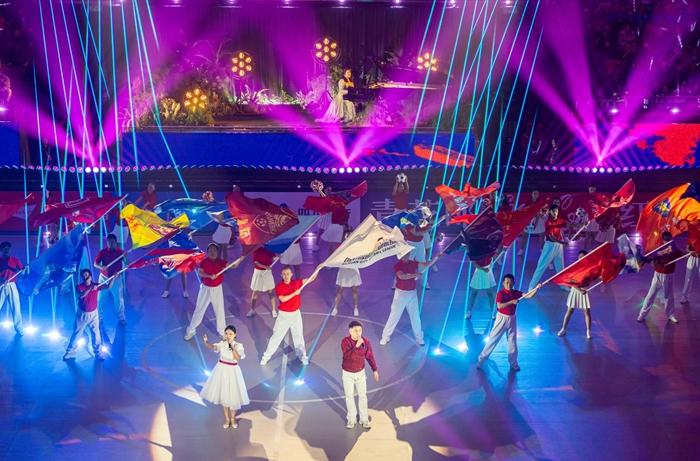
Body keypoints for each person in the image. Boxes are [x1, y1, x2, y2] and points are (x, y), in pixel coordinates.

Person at [260, 264, 322, 365]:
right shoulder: (279, 286)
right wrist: (295, 293)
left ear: (291, 274)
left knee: (298, 336)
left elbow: (311, 278)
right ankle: (266, 357)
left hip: (296, 314)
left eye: (288, 274)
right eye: (284, 274)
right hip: (284, 315)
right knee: (276, 337)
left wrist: (318, 268)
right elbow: (283, 299)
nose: (286, 276)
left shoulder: (296, 283)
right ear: (281, 275)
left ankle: (302, 357)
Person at [477, 274, 541, 371]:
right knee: (493, 339)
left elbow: (528, 295)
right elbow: (500, 306)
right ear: (503, 283)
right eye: (507, 283)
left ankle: (513, 363)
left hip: (512, 318)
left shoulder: (516, 293)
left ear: (513, 283)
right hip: (501, 319)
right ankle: (481, 360)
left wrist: (537, 288)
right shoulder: (500, 294)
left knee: (512, 342)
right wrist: (511, 302)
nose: (508, 285)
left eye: (510, 283)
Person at [380, 252, 441, 346]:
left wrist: (436, 258)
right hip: (401, 294)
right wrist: (414, 275)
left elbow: (425, 264)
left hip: (412, 293)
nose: (406, 255)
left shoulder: (413, 262)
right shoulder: (398, 265)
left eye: (407, 254)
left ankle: (419, 337)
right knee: (394, 316)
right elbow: (401, 276)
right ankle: (385, 337)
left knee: (415, 316)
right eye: (404, 254)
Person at [200, 325, 250, 429]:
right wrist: (206, 342)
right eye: (226, 334)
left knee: (233, 396)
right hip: (221, 371)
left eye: (230, 334)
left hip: (233, 371)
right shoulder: (222, 344)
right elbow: (213, 347)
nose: (228, 336)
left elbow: (238, 358)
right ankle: (227, 418)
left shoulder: (239, 346)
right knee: (224, 395)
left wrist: (232, 347)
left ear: (235, 335)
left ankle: (233, 418)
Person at [528, 204, 584, 292]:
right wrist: (563, 242)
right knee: (541, 266)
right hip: (550, 246)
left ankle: (563, 285)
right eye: (553, 211)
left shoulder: (560, 220)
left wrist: (582, 224)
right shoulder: (548, 223)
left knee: (560, 267)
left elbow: (570, 225)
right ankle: (531, 286)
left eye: (556, 211)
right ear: (550, 212)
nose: (555, 212)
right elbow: (551, 237)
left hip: (559, 246)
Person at [63, 269, 113, 361]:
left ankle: (98, 353)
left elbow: (109, 286)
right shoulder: (79, 287)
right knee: (77, 334)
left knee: (96, 334)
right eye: (83, 276)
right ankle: (69, 352)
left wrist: (114, 277)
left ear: (90, 276)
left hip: (94, 314)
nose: (85, 277)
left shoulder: (96, 286)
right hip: (82, 314)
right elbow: (82, 295)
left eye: (86, 275)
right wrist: (90, 288)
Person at [185, 244, 231, 341]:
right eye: (210, 250)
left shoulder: (220, 261)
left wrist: (238, 261)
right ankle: (191, 330)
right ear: (208, 252)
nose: (212, 252)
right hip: (205, 289)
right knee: (199, 310)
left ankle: (222, 332)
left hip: (217, 289)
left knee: (220, 311)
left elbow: (231, 265)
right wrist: (209, 276)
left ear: (217, 252)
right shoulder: (204, 262)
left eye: (214, 250)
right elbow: (200, 272)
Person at [637, 232, 685, 323]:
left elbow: (683, 255)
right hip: (657, 276)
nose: (667, 241)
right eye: (665, 239)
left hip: (669, 276)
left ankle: (671, 315)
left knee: (669, 297)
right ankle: (642, 314)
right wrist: (659, 265)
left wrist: (690, 253)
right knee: (650, 296)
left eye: (668, 239)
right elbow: (653, 263)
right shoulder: (659, 250)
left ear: (671, 239)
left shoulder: (674, 250)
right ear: (662, 240)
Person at [341, 320, 378, 429]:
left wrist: (374, 369)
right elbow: (347, 356)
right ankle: (351, 419)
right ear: (350, 331)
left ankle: (364, 419)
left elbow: (370, 356)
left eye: (360, 330)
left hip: (360, 373)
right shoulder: (345, 342)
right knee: (349, 396)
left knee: (362, 396)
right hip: (348, 373)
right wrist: (356, 346)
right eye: (356, 330)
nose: (358, 333)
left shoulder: (365, 341)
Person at [558, 251, 593, 339]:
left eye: (583, 256)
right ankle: (563, 329)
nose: (581, 258)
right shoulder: (574, 267)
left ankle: (588, 331)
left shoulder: (589, 268)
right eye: (580, 256)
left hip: (585, 290)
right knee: (569, 310)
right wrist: (579, 290)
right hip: (575, 291)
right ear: (578, 257)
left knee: (587, 311)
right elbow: (570, 281)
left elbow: (591, 278)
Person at [93, 234, 127, 325]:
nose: (111, 244)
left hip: (116, 278)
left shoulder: (121, 252)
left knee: (119, 298)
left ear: (116, 242)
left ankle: (121, 317)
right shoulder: (102, 252)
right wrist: (101, 266)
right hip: (103, 278)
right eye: (109, 242)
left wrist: (126, 256)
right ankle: (99, 317)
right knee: (101, 298)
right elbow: (95, 264)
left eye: (112, 242)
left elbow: (128, 263)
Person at [0, 241, 24, 336]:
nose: (7, 250)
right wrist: (2, 280)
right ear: (1, 250)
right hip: (1, 285)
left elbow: (21, 270)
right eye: (4, 248)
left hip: (12, 285)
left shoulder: (15, 260)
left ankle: (19, 329)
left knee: (16, 307)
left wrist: (24, 269)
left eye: (8, 248)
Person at [247, 246, 278, 318]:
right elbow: (256, 262)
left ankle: (274, 310)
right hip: (258, 272)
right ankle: (252, 310)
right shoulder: (255, 249)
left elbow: (273, 257)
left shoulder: (269, 247)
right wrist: (266, 267)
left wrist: (278, 257)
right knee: (255, 292)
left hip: (267, 272)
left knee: (270, 292)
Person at [465, 255, 497, 320]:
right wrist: (483, 269)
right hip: (479, 272)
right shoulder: (477, 251)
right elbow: (474, 264)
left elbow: (496, 257)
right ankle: (469, 312)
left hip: (487, 272)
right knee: (474, 293)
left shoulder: (490, 250)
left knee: (490, 294)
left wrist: (502, 252)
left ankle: (493, 312)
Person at [401, 224, 431, 289]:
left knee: (422, 264)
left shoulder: (422, 220)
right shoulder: (409, 221)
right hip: (410, 244)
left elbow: (430, 223)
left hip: (420, 244)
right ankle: (399, 282)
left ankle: (424, 283)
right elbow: (415, 233)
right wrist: (427, 230)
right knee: (405, 263)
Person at [518, 189, 545, 255]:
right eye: (534, 193)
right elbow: (525, 213)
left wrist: (535, 223)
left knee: (542, 235)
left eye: (537, 193)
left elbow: (540, 213)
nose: (536, 195)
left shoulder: (540, 202)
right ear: (531, 194)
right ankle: (521, 249)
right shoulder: (528, 202)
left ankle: (542, 249)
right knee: (525, 235)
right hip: (529, 219)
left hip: (538, 219)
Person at [680, 220, 700, 304]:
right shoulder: (691, 237)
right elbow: (687, 249)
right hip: (692, 259)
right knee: (688, 278)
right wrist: (691, 252)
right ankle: (685, 296)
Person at [314, 185, 333, 252]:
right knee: (320, 232)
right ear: (324, 190)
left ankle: (331, 248)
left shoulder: (332, 198)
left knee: (331, 233)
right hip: (324, 216)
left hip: (331, 216)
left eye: (330, 190)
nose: (329, 191)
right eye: (328, 190)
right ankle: (316, 246)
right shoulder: (321, 198)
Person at [583, 185, 598, 251]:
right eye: (591, 189)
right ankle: (584, 249)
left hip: (594, 217)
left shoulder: (597, 198)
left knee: (594, 234)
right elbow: (582, 206)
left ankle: (591, 249)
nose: (592, 191)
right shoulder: (586, 197)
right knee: (588, 234)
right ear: (588, 189)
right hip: (587, 217)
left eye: (593, 189)